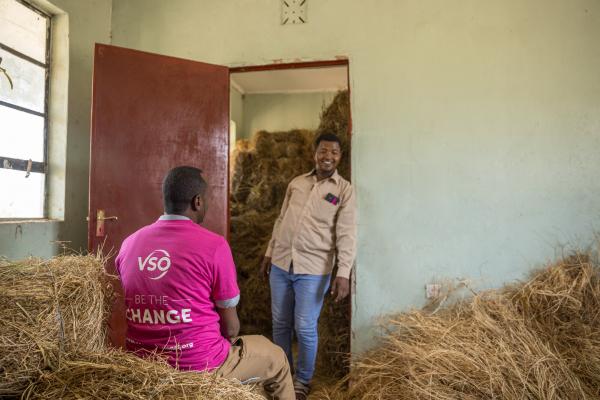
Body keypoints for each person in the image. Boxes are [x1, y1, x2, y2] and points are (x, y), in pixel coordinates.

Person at [113, 166, 294, 400]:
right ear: (197, 201)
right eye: (205, 199)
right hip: (199, 365)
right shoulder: (214, 246)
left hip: (142, 365)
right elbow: (230, 328)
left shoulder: (129, 244)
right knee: (277, 358)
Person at [260, 133, 357, 400]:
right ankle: (281, 375)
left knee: (304, 326)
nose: (328, 156)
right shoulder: (297, 183)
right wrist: (269, 252)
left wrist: (343, 273)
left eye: (334, 152)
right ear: (314, 154)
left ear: (340, 157)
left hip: (314, 269)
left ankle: (302, 380)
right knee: (280, 324)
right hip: (281, 263)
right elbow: (281, 219)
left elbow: (347, 234)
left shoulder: (343, 191)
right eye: (323, 151)